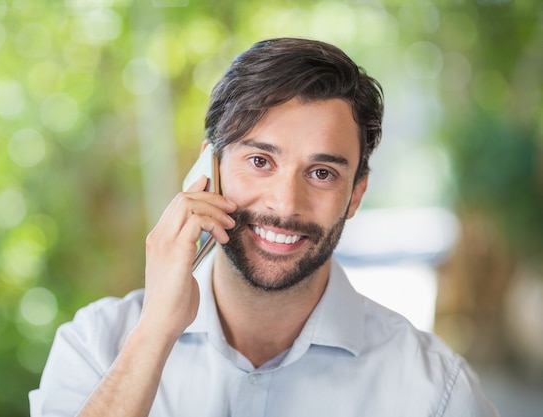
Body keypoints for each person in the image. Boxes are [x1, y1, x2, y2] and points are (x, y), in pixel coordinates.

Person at [30, 38, 499, 417]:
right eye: (260, 161)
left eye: (321, 173)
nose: (284, 204)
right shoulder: (95, 346)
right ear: (207, 170)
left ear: (355, 194)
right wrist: (155, 332)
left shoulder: (435, 392)